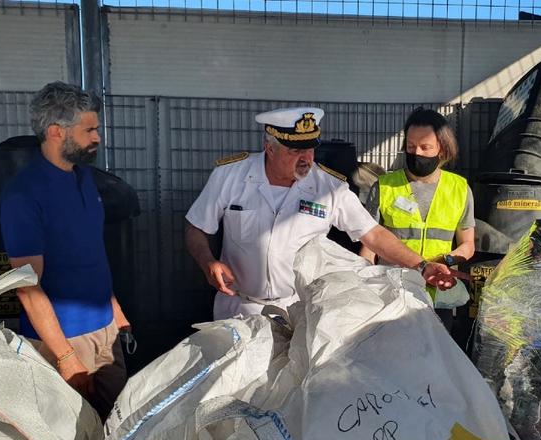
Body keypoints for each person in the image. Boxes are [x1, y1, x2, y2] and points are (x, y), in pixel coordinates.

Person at [185, 107, 468, 320]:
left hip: (299, 310)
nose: (306, 158)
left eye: (310, 148)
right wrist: (208, 262)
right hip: (240, 308)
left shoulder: (328, 186)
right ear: (269, 149)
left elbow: (373, 234)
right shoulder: (231, 176)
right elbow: (196, 227)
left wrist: (422, 266)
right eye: (295, 150)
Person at [0, 81, 130, 419]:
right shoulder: (24, 196)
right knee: (75, 431)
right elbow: (27, 287)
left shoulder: (84, 178)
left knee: (119, 421)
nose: (97, 137)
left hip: (105, 330)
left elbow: (89, 253)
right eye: (89, 130)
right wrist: (65, 356)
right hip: (65, 339)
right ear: (56, 132)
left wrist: (115, 312)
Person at [359, 108, 475, 330]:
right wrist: (364, 284)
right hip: (392, 291)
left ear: (443, 149)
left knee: (436, 348)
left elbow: (468, 245)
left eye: (425, 147)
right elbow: (369, 244)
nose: (417, 153)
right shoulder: (384, 186)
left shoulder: (460, 189)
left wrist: (445, 261)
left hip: (438, 292)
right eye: (411, 146)